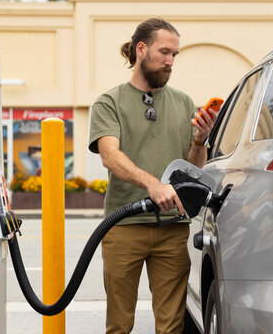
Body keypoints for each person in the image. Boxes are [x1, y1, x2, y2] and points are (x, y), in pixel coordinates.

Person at [88, 18, 219, 334]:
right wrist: (152, 184)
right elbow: (110, 155)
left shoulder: (184, 102)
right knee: (119, 324)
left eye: (175, 54)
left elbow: (193, 167)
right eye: (164, 52)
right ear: (141, 49)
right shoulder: (110, 102)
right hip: (124, 226)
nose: (170, 61)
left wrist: (200, 140)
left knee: (171, 325)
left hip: (173, 228)